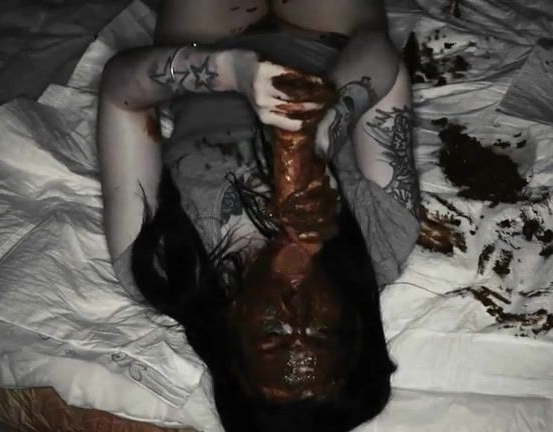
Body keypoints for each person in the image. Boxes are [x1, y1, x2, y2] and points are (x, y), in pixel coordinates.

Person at [96, 1, 420, 431]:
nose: (295, 309)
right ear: (353, 331)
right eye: (321, 332)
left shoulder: (163, 266)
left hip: (207, 42)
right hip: (332, 39)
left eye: (273, 335)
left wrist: (229, 71)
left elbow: (119, 93)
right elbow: (381, 55)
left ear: (231, 343)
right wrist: (321, 132)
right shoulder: (384, 242)